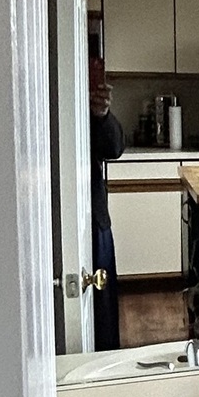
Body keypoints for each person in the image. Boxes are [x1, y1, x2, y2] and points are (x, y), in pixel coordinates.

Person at [88, 54, 124, 350]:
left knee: (102, 303)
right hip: (83, 214)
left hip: (95, 212)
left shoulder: (90, 113)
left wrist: (102, 115)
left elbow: (114, 148)